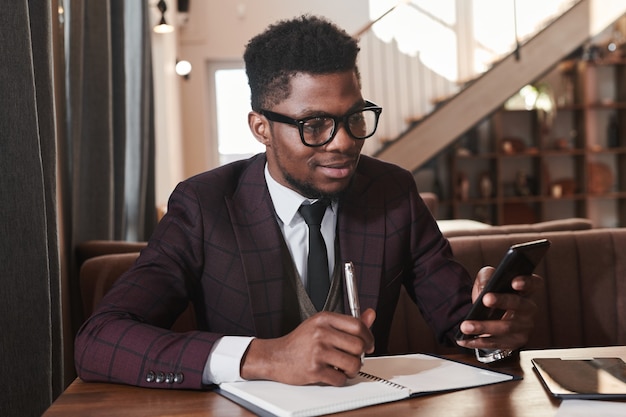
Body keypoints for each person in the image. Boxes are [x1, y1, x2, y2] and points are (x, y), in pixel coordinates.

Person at [74, 15, 541, 390]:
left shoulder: (392, 193)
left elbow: (460, 326)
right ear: (261, 128)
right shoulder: (204, 206)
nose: (342, 143)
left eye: (354, 118)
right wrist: (265, 357)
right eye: (314, 124)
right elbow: (99, 340)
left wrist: (491, 332)